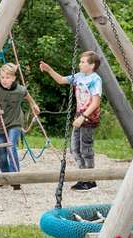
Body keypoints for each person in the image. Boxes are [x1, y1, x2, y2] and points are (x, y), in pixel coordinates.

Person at [39, 52, 103, 190]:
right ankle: (82, 177)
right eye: (80, 61)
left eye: (83, 62)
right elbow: (61, 80)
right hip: (79, 115)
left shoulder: (95, 79)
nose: (80, 64)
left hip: (89, 117)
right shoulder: (79, 77)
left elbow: (96, 102)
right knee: (74, 148)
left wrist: (83, 117)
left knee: (85, 148)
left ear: (92, 65)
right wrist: (49, 70)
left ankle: (90, 180)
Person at [0, 62, 33, 184]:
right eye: (2, 77)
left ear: (13, 78)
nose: (5, 80)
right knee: (2, 154)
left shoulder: (19, 90)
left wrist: (34, 104)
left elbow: (26, 94)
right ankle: (5, 177)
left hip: (15, 124)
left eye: (8, 77)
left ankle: (15, 177)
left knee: (10, 146)